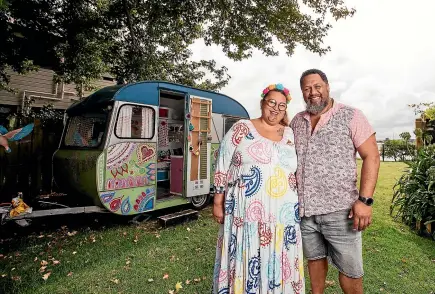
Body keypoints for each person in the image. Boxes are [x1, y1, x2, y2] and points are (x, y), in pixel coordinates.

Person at [290, 69, 380, 294]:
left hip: (341, 212)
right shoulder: (297, 121)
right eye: (307, 89)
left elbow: (372, 156)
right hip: (306, 213)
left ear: (327, 87)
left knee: (351, 273)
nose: (313, 93)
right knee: (315, 261)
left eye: (317, 86)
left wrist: (365, 201)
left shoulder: (351, 115)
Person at [212, 84, 305, 294]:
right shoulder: (242, 128)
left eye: (281, 105)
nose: (275, 109)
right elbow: (222, 163)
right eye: (271, 102)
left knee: (280, 259)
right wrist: (218, 201)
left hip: (284, 215)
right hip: (246, 214)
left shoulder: (290, 133)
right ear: (262, 102)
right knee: (247, 256)